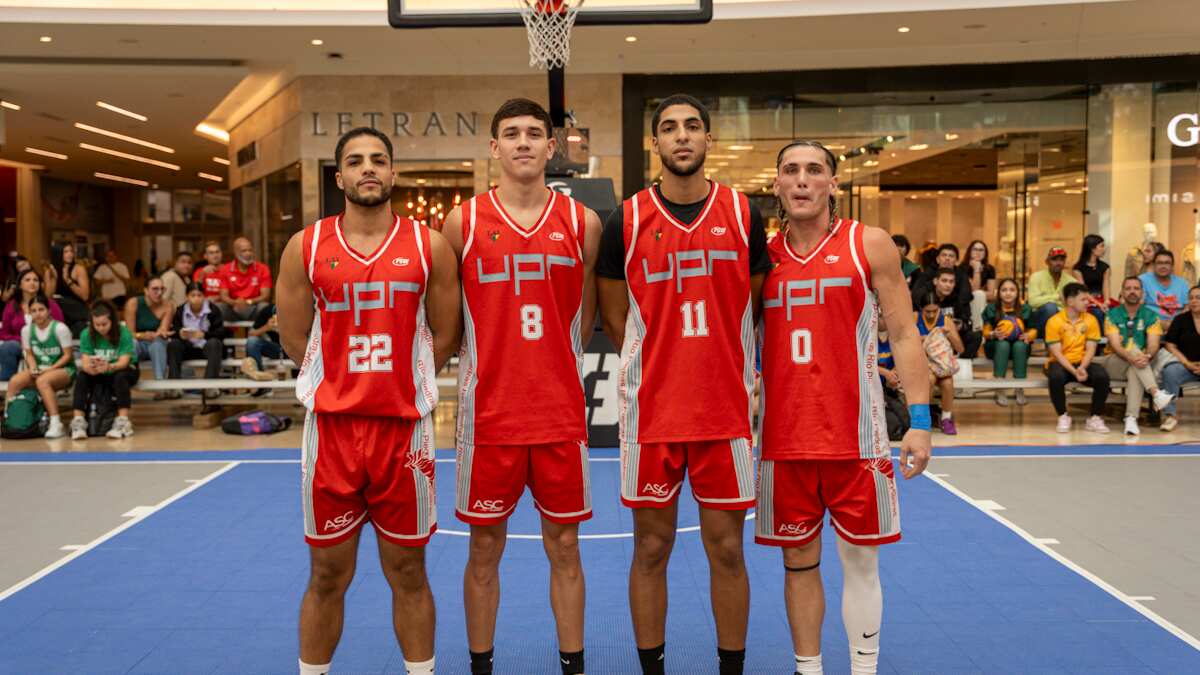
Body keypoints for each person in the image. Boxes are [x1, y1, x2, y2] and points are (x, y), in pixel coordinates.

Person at [277, 126, 461, 675]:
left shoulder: (428, 245)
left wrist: (403, 385)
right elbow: (293, 337)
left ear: (393, 172)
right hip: (332, 431)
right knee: (327, 573)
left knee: (409, 570)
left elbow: (446, 334)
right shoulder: (305, 247)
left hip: (403, 432)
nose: (368, 169)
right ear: (339, 178)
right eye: (355, 161)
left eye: (379, 159)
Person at [597, 94, 768, 675]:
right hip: (653, 412)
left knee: (727, 549)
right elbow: (615, 314)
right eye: (669, 128)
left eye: (693, 126)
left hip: (725, 410)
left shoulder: (744, 214)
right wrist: (661, 360)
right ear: (655, 143)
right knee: (650, 547)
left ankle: (731, 666)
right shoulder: (628, 218)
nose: (682, 136)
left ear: (709, 140)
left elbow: (758, 300)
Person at [756, 140, 931, 675]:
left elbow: (903, 332)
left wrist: (920, 421)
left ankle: (863, 668)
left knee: (860, 563)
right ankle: (807, 669)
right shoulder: (760, 255)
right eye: (792, 171)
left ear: (834, 182)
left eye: (815, 171)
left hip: (858, 436)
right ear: (778, 185)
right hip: (785, 440)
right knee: (798, 565)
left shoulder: (869, 243)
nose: (803, 180)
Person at [440, 99, 602, 675]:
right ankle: (481, 665)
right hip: (489, 418)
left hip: (558, 413)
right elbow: (448, 320)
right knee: (484, 550)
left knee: (566, 548)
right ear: (494, 148)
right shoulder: (462, 222)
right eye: (511, 134)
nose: (525, 143)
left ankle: (573, 664)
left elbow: (582, 321)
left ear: (552, 147)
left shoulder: (582, 223)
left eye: (536, 133)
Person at [1103, 277, 1175, 435]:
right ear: (1122, 292)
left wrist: (1147, 356)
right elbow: (1115, 346)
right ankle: (1156, 393)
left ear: (1142, 292)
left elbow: (1154, 344)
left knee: (1134, 370)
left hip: (1140, 364)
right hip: (1115, 362)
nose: (1132, 291)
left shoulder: (1150, 315)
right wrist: (1135, 357)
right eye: (1128, 288)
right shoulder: (1112, 315)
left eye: (1136, 288)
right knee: (1135, 354)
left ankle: (1130, 419)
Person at [3, 293, 75, 438]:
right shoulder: (26, 330)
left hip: (63, 370)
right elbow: (29, 354)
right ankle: (8, 419)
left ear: (49, 311)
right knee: (15, 381)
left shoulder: (60, 328)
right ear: (29, 313)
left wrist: (50, 369)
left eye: (41, 309)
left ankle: (56, 423)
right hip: (40, 369)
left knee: (43, 381)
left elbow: (68, 356)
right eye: (34, 311)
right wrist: (34, 368)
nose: (38, 314)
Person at [1045, 283, 1110, 434]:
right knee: (1055, 377)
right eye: (1083, 299)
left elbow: (1091, 348)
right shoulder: (1054, 321)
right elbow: (1057, 353)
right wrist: (1074, 371)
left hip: (1082, 361)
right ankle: (1063, 416)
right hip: (1060, 362)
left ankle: (1094, 418)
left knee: (1102, 376)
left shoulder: (1091, 320)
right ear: (1070, 301)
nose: (1088, 302)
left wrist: (1082, 367)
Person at [70, 301, 139, 440]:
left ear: (112, 321)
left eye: (104, 324)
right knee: (82, 376)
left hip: (124, 369)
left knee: (120, 377)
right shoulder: (86, 334)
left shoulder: (123, 333)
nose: (100, 328)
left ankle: (123, 422)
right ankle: (78, 422)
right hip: (100, 371)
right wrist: (90, 369)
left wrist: (110, 367)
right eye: (97, 325)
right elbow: (85, 362)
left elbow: (124, 362)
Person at [1, 268, 65, 381]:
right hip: (20, 346)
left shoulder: (50, 304)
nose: (32, 282)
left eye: (35, 280)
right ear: (20, 285)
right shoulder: (11, 306)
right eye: (28, 280)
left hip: (46, 346)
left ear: (40, 285)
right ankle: (7, 382)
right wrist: (22, 341)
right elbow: (4, 333)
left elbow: (60, 328)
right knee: (8, 346)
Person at [911, 244, 976, 356]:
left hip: (950, 332)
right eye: (944, 281)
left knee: (974, 336)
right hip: (925, 335)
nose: (948, 285)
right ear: (935, 281)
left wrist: (961, 325)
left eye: (951, 282)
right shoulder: (926, 284)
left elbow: (965, 316)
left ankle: (961, 361)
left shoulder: (957, 294)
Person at [166, 283, 226, 399]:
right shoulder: (180, 310)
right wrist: (180, 333)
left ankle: (210, 385)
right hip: (187, 347)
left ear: (204, 296)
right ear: (187, 297)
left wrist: (204, 334)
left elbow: (221, 333)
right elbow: (174, 330)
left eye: (199, 295)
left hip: (206, 348)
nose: (196, 298)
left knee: (215, 343)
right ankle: (174, 386)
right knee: (173, 344)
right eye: (193, 295)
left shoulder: (213, 310)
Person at [981, 278, 1035, 406]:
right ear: (998, 293)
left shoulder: (1025, 308)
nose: (1008, 293)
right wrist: (993, 334)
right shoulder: (991, 308)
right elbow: (985, 332)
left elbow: (1034, 329)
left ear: (1017, 293)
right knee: (1003, 344)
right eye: (1004, 290)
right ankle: (1000, 387)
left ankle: (1019, 387)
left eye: (1012, 290)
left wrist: (1029, 335)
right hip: (996, 346)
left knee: (1020, 345)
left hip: (1018, 346)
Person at [917, 290, 963, 435]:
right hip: (921, 363)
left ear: (939, 308)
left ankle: (946, 418)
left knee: (948, 383)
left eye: (934, 311)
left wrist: (949, 334)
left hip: (940, 363)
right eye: (927, 311)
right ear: (921, 309)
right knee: (929, 379)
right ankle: (925, 417)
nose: (931, 315)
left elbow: (960, 348)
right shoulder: (914, 318)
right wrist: (920, 339)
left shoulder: (946, 321)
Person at [1159, 285, 1200, 432]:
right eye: (1191, 298)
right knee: (1170, 372)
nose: (1194, 301)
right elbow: (1170, 345)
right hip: (1185, 365)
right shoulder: (1180, 319)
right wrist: (1187, 363)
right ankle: (1170, 415)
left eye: (1198, 298)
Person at [123, 277, 173, 394]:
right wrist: (142, 335)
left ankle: (160, 386)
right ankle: (128, 380)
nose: (159, 293)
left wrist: (160, 333)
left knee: (158, 343)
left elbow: (163, 330)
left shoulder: (168, 305)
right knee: (132, 343)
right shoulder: (133, 303)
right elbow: (129, 334)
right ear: (146, 290)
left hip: (155, 343)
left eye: (162, 289)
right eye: (155, 289)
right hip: (138, 342)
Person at [216, 237, 272, 322]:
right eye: (244, 251)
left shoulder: (263, 269)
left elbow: (265, 296)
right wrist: (235, 303)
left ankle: (258, 334)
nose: (248, 253)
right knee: (218, 307)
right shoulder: (225, 269)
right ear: (236, 252)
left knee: (264, 306)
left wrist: (248, 302)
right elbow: (223, 296)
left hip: (254, 307)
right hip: (233, 307)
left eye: (250, 250)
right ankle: (223, 334)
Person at [1028, 246, 1076, 335]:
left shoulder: (1072, 281)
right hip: (1039, 318)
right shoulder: (1036, 277)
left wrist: (1045, 299)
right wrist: (1058, 297)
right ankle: (1050, 338)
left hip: (1063, 318)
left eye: (1061, 260)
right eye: (1054, 259)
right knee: (1050, 308)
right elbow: (1033, 301)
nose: (1058, 263)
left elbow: (1074, 304)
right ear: (1047, 262)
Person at [45, 242, 90, 335]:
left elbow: (85, 296)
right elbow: (47, 297)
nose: (70, 254)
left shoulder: (79, 269)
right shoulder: (49, 271)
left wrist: (68, 280)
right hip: (58, 311)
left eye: (71, 251)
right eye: (66, 252)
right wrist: (54, 278)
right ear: (58, 253)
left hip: (77, 312)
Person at [1139, 249, 1189, 328]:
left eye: (1167, 263)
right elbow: (1138, 306)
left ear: (1172, 266)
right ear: (1154, 265)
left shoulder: (1182, 283)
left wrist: (1176, 323)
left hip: (1177, 325)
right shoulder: (1143, 280)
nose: (1163, 266)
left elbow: (1188, 307)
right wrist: (1159, 323)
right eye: (1159, 263)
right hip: (1151, 323)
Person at [240, 304, 285, 383]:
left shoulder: (298, 309)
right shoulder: (269, 310)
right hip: (277, 348)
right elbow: (251, 334)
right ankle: (259, 375)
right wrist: (267, 327)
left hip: (297, 348)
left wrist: (285, 330)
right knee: (252, 341)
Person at [1073, 234, 1111, 325]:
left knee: (1113, 312)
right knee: (1098, 312)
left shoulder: (1105, 267)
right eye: (1101, 246)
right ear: (1092, 249)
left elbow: (1106, 286)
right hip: (1086, 300)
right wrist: (1099, 304)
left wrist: (1106, 301)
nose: (1104, 249)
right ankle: (1101, 338)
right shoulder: (1078, 268)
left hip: (1101, 298)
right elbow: (1083, 290)